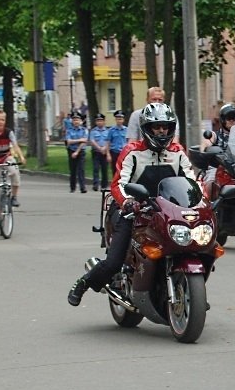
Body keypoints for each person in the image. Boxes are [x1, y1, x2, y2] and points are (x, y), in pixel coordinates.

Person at [67, 103, 196, 307]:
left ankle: (186, 290)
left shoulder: (177, 152)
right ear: (146, 128)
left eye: (165, 126)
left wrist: (201, 201)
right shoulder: (132, 151)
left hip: (165, 210)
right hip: (132, 210)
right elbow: (118, 183)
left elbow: (192, 182)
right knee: (114, 262)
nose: (162, 131)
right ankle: (84, 282)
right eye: (157, 127)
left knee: (191, 244)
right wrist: (128, 202)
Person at [65, 113, 88, 193]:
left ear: (80, 121)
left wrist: (77, 151)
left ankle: (83, 188)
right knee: (73, 170)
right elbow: (69, 141)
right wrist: (79, 140)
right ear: (72, 121)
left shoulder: (84, 130)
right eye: (74, 120)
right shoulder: (69, 130)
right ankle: (72, 187)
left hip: (81, 151)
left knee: (81, 170)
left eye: (77, 120)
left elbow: (84, 141)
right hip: (71, 151)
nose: (76, 121)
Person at [89, 113, 111, 191]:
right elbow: (92, 141)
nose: (99, 122)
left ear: (104, 121)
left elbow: (109, 141)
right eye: (98, 121)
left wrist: (104, 148)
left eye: (101, 120)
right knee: (96, 169)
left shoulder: (108, 131)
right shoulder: (93, 131)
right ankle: (95, 185)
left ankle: (104, 185)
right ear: (96, 122)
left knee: (104, 169)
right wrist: (99, 148)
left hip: (105, 152)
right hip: (96, 152)